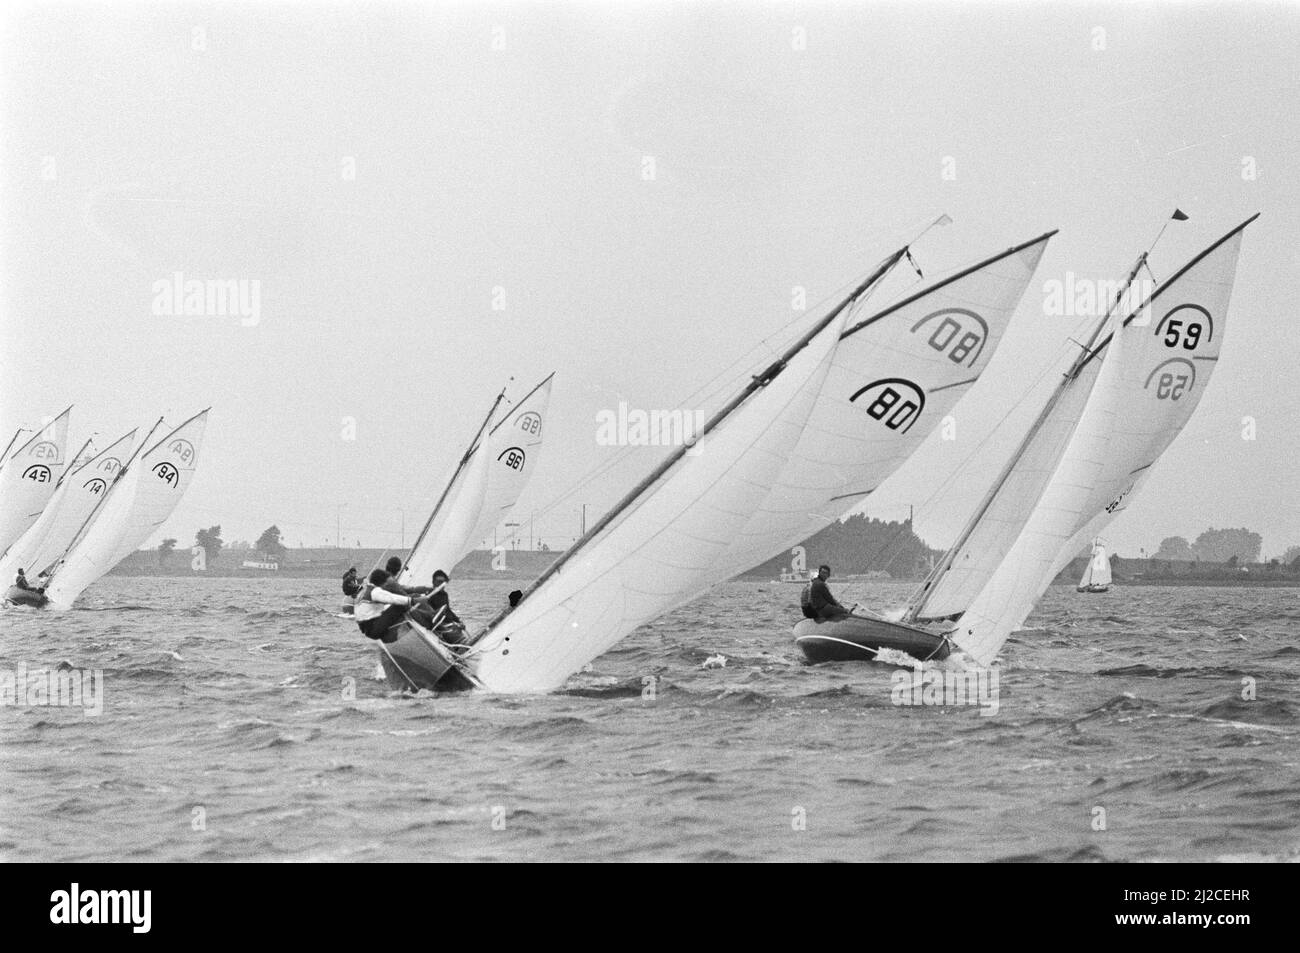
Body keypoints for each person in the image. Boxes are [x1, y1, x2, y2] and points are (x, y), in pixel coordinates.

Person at [353, 569, 417, 642]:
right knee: (400, 605)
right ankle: (424, 620)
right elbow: (393, 598)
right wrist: (413, 600)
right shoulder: (375, 591)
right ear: (382, 583)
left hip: (368, 629)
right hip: (373, 630)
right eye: (386, 584)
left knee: (400, 604)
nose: (387, 586)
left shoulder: (365, 590)